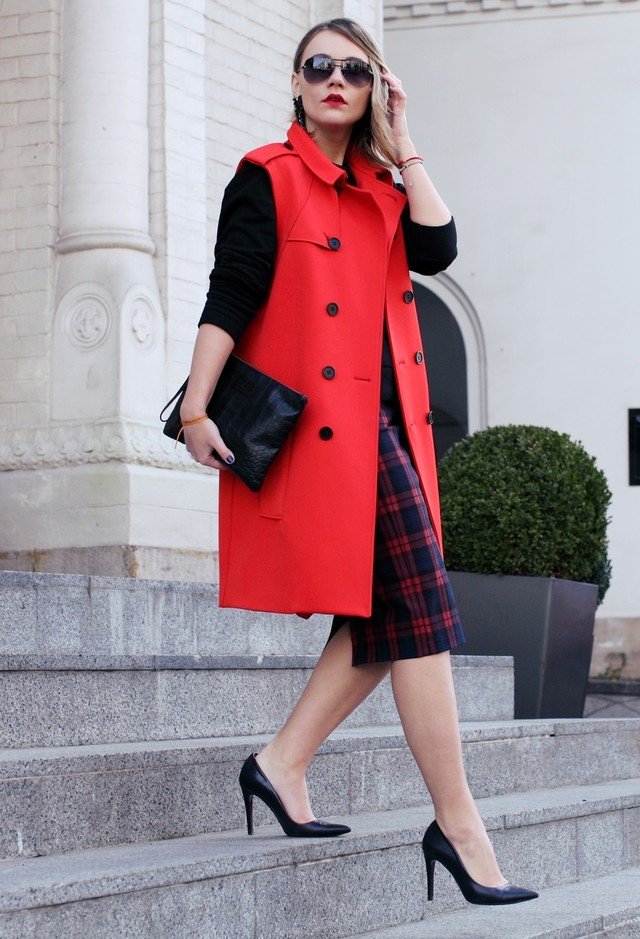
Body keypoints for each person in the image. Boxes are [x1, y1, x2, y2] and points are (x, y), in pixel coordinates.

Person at [180, 17, 538, 906]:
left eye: (354, 69)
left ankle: (282, 761)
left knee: (396, 615)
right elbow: (230, 294)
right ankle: (460, 827)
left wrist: (405, 135)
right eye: (318, 67)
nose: (335, 79)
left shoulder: (382, 186)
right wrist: (193, 406)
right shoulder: (265, 179)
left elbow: (441, 246)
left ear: (373, 85)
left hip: (391, 429)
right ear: (296, 83)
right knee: (418, 605)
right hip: (328, 437)